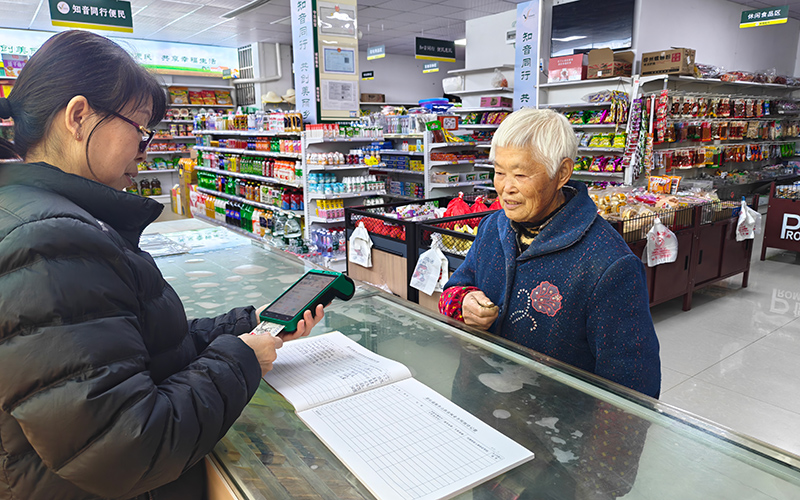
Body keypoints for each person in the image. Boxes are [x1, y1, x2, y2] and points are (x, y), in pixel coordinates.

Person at [0, 30, 324, 500]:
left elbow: (136, 350)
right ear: (78, 117)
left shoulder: (38, 214)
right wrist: (242, 358)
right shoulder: (51, 241)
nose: (145, 147)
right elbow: (124, 448)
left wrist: (245, 326)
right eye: (139, 127)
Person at [439, 108, 661, 398]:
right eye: (499, 172)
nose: (506, 189)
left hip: (553, 428)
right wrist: (464, 301)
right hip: (479, 401)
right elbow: (454, 288)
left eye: (520, 174)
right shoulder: (492, 228)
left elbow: (633, 388)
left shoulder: (608, 263)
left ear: (562, 173)